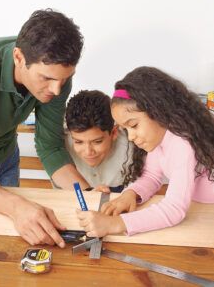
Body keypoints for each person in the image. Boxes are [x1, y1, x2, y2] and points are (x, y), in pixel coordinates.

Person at [0, 9, 91, 247]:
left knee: (2, 248)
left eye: (64, 80)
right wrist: (15, 206)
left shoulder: (57, 75)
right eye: (46, 79)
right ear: (18, 58)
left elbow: (51, 148)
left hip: (5, 157)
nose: (57, 90)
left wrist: (89, 197)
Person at [76, 66, 214, 238]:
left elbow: (174, 209)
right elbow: (151, 176)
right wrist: (130, 193)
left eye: (133, 125)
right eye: (125, 129)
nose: (131, 136)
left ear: (158, 112)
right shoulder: (161, 138)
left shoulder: (183, 143)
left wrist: (116, 224)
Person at [64, 90, 132, 193]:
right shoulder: (60, 143)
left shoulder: (132, 146)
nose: (88, 152)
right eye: (78, 142)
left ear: (114, 133)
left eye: (97, 141)